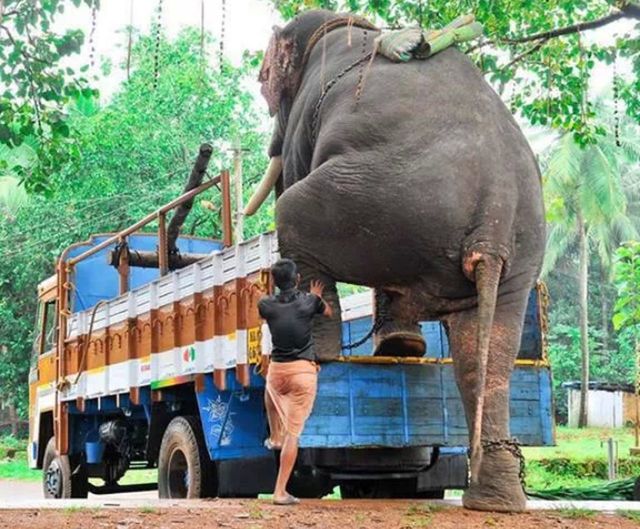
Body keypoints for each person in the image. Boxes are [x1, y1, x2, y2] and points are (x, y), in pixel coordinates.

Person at [258, 258, 332, 506]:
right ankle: (280, 492)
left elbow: (260, 316)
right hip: (302, 372)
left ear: (275, 282)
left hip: (277, 371)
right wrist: (317, 297)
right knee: (294, 434)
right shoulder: (309, 302)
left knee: (270, 395)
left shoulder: (266, 304)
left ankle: (275, 436)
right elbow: (328, 313)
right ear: (297, 279)